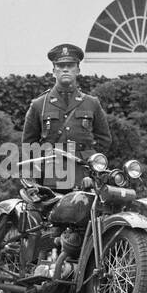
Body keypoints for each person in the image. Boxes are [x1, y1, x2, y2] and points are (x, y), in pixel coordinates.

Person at [21, 43, 111, 192]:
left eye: (70, 65)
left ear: (78, 70)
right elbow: (29, 145)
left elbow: (104, 140)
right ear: (53, 70)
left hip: (85, 176)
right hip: (50, 178)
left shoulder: (91, 103)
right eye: (60, 65)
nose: (65, 69)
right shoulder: (39, 105)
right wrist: (36, 175)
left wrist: (94, 169)